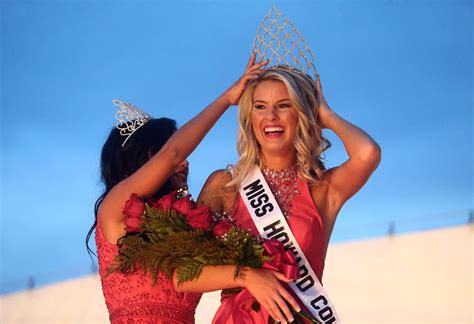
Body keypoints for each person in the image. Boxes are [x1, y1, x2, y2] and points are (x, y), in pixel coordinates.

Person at [174, 67, 381, 323]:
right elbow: (182, 274)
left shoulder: (323, 189)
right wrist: (247, 276)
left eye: (284, 105)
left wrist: (325, 115)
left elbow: (367, 153)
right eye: (260, 107)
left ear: (302, 114)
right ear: (250, 117)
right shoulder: (225, 186)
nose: (271, 116)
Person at [85, 54, 269, 323]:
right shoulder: (114, 210)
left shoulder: (183, 225)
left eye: (182, 152)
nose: (184, 161)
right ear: (141, 159)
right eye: (161, 151)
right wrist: (226, 100)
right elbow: (173, 154)